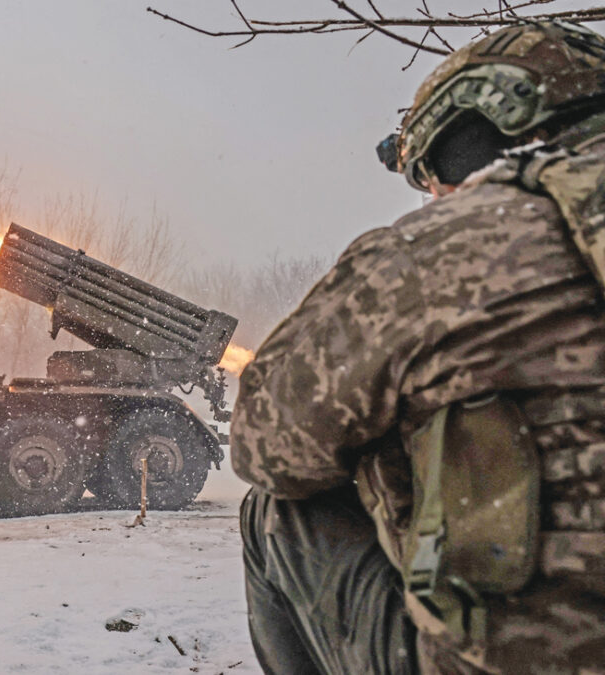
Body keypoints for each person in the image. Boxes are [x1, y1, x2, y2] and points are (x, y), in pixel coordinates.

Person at [232, 21, 605, 674]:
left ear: (481, 127)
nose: (432, 195)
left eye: (431, 174)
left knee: (279, 511)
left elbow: (265, 444)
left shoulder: (436, 254)